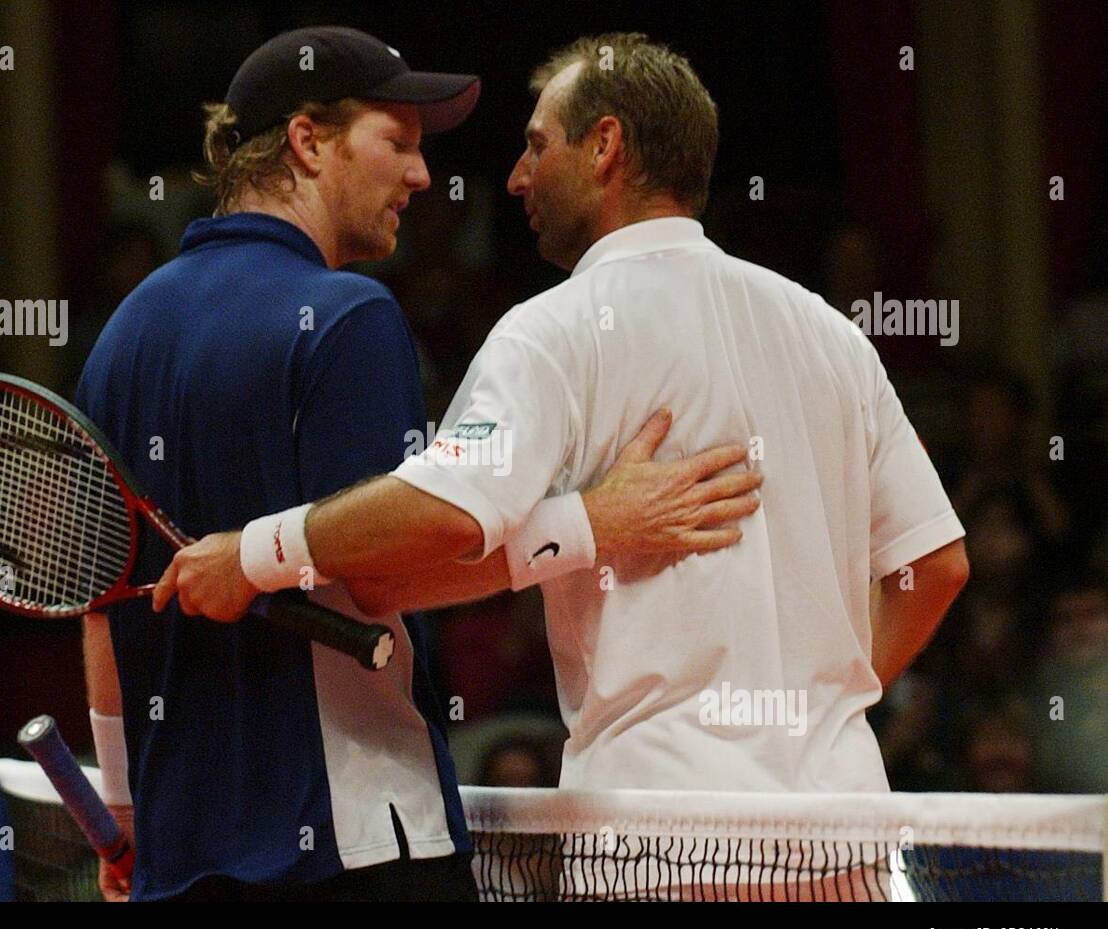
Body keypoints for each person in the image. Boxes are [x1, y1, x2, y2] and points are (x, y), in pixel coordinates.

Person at [157, 32, 970, 800]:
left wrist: (255, 553)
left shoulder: (555, 328)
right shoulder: (831, 332)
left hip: (655, 835)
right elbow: (936, 567)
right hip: (842, 827)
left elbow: (425, 534)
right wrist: (816, 710)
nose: (515, 177)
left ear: (605, 146)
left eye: (538, 145)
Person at [78, 27, 762, 903]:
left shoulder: (120, 339)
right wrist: (596, 521)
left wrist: (126, 813)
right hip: (350, 847)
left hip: (180, 861)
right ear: (307, 141)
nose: (421, 176)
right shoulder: (345, 314)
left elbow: (101, 612)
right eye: (396, 143)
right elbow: (389, 574)